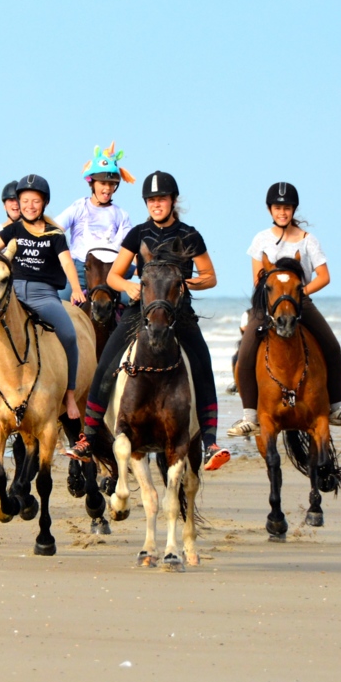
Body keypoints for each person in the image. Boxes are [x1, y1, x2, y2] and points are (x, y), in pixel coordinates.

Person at [68, 171, 230, 471]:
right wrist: (129, 286)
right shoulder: (138, 234)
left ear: (172, 201)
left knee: (203, 366)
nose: (157, 205)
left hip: (178, 313)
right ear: (147, 203)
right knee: (106, 362)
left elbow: (210, 277)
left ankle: (209, 443)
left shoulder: (190, 235)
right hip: (141, 313)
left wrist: (183, 284)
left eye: (162, 199)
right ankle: (88, 436)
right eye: (152, 200)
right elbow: (115, 276)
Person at [0, 174, 87, 420]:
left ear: (44, 203)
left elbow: (66, 262)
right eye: (25, 200)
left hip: (43, 294)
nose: (29, 206)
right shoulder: (12, 229)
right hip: (12, 293)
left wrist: (76, 288)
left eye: (35, 201)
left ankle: (70, 394)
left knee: (68, 334)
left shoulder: (55, 234)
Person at [227, 181, 341, 436]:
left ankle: (336, 407)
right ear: (270, 210)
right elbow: (258, 279)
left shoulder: (308, 241)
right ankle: (249, 416)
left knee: (332, 345)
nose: (282, 212)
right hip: (268, 303)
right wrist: (277, 298)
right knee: (245, 352)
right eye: (278, 208)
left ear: (293, 210)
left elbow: (323, 276)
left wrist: (299, 294)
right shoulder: (261, 239)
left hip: (300, 301)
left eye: (287, 208)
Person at [55, 143, 135, 294]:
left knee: (136, 306)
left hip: (110, 273)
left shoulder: (122, 215)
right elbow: (55, 230)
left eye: (112, 184)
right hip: (79, 271)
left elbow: (130, 248)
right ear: (92, 183)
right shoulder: (79, 207)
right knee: (58, 304)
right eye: (103, 183)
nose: (107, 189)